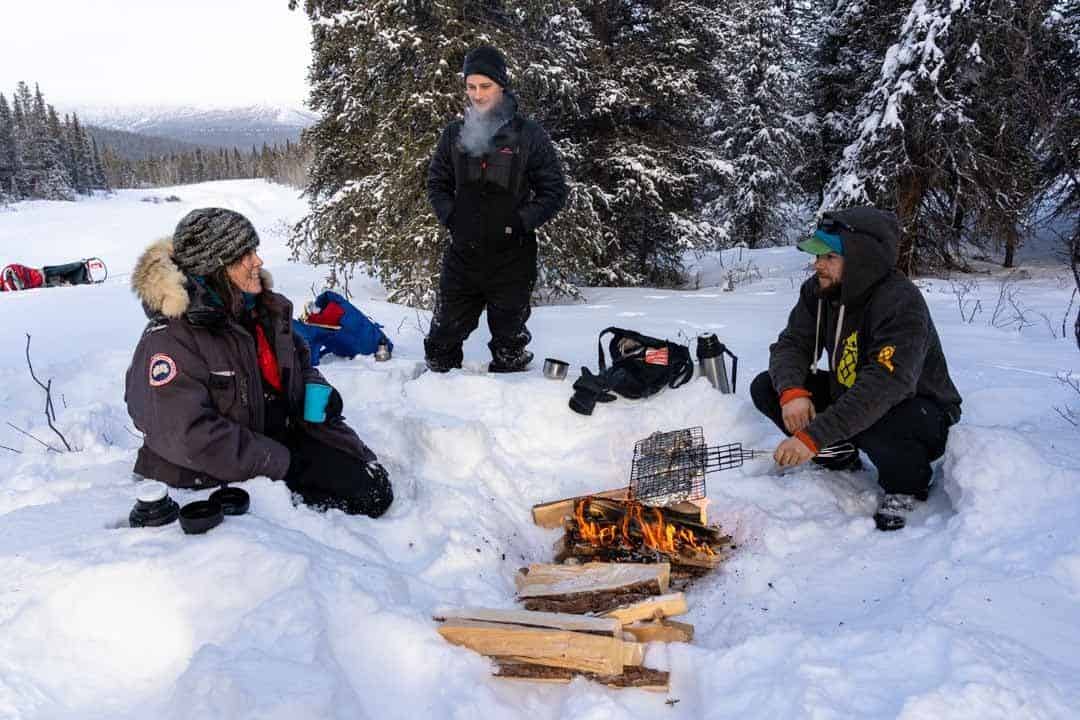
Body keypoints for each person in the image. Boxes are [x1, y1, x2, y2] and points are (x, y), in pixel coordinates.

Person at [124, 208, 393, 518]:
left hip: (275, 438)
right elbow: (189, 434)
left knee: (373, 486)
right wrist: (285, 463)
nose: (258, 261)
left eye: (255, 250)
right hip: (208, 470)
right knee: (367, 497)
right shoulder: (170, 339)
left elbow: (301, 363)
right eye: (244, 255)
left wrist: (316, 388)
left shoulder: (260, 310)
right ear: (214, 268)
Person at [750, 207, 962, 531]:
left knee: (875, 417)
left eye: (830, 257)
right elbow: (792, 343)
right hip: (854, 395)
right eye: (818, 255)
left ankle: (907, 486)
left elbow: (884, 386)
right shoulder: (819, 290)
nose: (818, 265)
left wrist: (812, 437)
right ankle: (838, 454)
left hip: (918, 410)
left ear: (864, 259)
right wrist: (793, 391)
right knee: (767, 387)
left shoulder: (900, 301)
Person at [424, 45, 568, 373]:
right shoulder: (453, 135)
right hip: (463, 256)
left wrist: (520, 221)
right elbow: (437, 183)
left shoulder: (527, 135)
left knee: (509, 348)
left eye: (485, 86)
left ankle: (508, 417)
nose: (477, 94)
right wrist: (452, 218)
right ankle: (437, 410)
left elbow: (554, 190)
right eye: (471, 86)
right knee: (441, 343)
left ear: (502, 85)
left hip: (511, 259)